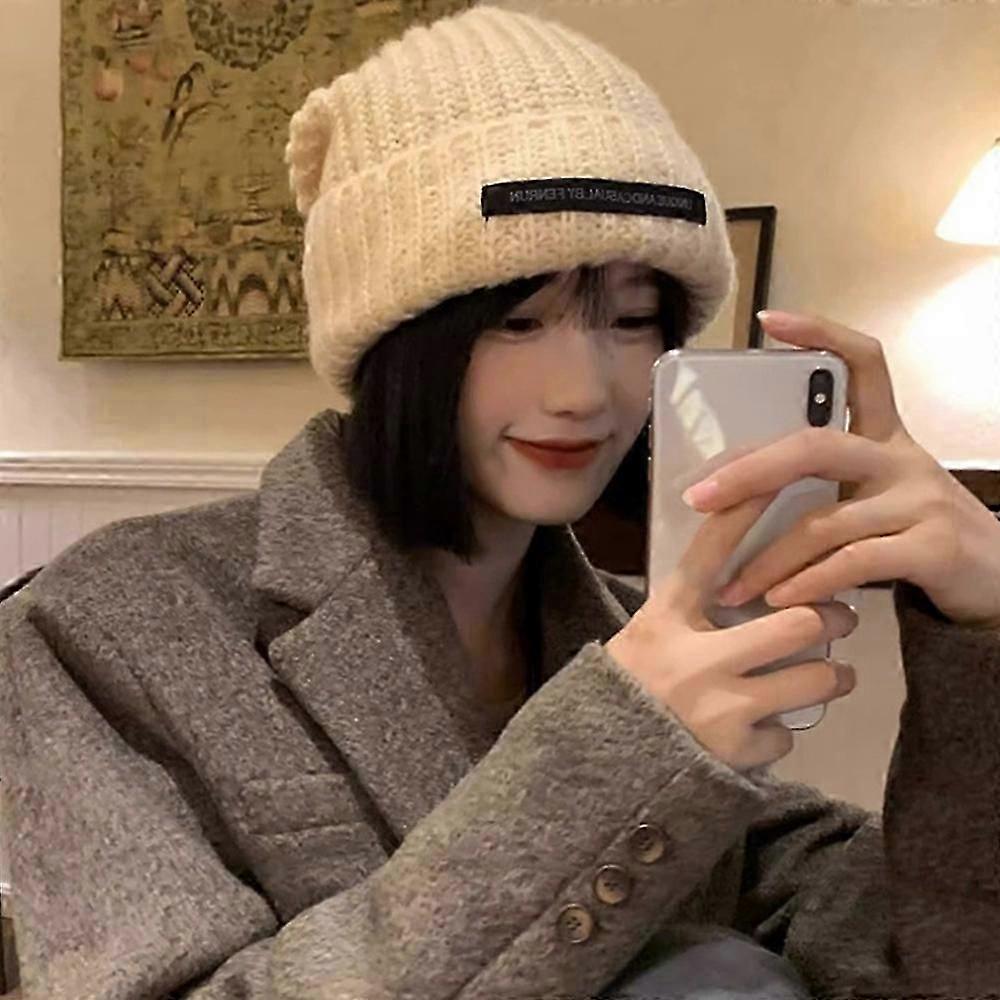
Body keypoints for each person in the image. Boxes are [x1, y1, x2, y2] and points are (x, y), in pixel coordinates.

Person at [2, 6, 1000, 999]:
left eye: (631, 319)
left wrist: (983, 640)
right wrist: (614, 759)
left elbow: (914, 957)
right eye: (517, 321)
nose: (584, 390)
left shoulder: (620, 633)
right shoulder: (111, 620)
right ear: (393, 338)